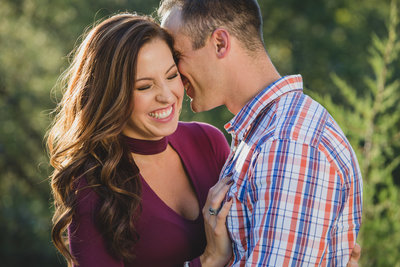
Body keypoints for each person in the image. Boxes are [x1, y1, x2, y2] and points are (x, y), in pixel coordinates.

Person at [158, 0, 363, 266]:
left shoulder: (289, 144)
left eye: (177, 57)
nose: (174, 73)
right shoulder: (262, 136)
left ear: (220, 43)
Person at [47, 13, 234, 267]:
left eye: (171, 76)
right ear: (112, 95)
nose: (167, 96)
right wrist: (209, 261)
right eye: (145, 87)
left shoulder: (209, 142)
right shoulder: (91, 185)